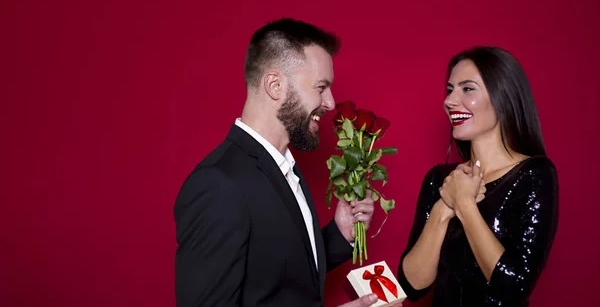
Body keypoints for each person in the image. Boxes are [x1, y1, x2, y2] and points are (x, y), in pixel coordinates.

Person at [174, 18, 376, 307]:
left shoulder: (284, 165)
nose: (331, 103)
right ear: (275, 85)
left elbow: (277, 277)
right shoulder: (219, 185)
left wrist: (340, 234)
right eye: (321, 87)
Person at [396, 46, 559, 306]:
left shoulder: (534, 175)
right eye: (450, 90)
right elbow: (411, 286)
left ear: (502, 97)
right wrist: (443, 207)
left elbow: (515, 286)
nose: (450, 101)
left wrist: (464, 204)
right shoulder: (440, 179)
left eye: (467, 88)